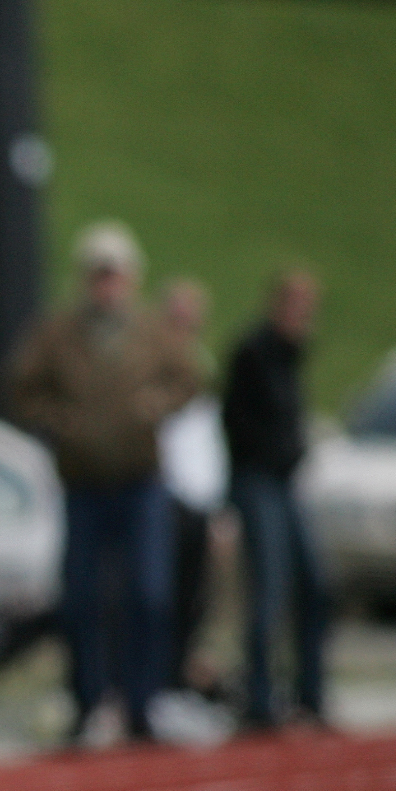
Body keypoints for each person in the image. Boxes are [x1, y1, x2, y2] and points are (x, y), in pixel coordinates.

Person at [8, 222, 199, 745]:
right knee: (81, 598)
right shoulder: (58, 332)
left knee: (148, 595)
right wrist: (58, 421)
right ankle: (88, 702)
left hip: (141, 479)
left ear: (130, 279)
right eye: (98, 275)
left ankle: (143, 703)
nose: (106, 286)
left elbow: (191, 378)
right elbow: (21, 387)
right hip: (83, 481)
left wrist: (158, 405)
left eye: (114, 275)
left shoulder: (153, 330)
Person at [222, 269, 330, 732]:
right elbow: (235, 424)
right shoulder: (253, 352)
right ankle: (260, 701)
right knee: (269, 592)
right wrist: (276, 453)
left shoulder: (289, 356)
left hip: (285, 483)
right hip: (259, 480)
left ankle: (310, 694)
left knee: (316, 586)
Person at [157, 278, 227, 695]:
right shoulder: (155, 365)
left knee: (195, 602)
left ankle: (181, 682)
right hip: (167, 499)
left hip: (198, 502)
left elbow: (205, 444)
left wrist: (217, 505)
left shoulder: (200, 363)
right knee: (162, 599)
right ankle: (160, 684)